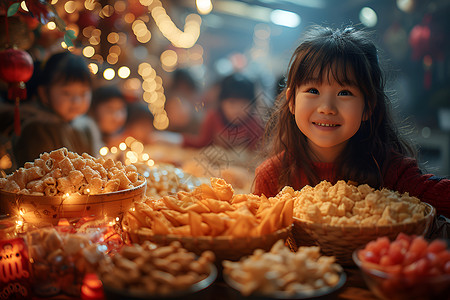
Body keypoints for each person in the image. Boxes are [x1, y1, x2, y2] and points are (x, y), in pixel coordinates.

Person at [253, 26, 450, 218]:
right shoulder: (272, 176)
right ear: (292, 101)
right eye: (313, 90)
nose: (326, 107)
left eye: (344, 93)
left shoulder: (392, 172)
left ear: (368, 107)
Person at [12, 51, 102, 166]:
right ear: (44, 93)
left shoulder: (86, 127)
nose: (77, 101)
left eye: (83, 93)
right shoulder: (37, 130)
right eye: (67, 93)